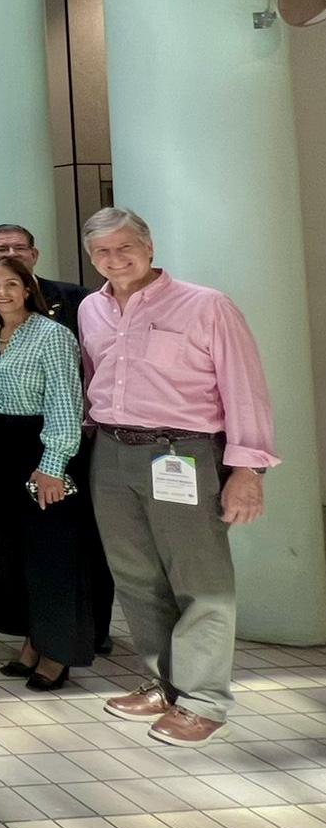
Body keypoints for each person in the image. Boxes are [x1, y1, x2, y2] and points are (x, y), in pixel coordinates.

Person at [79, 207, 277, 746]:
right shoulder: (91, 310)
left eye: (125, 247)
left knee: (200, 579)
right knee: (136, 575)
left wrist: (247, 469)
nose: (115, 259)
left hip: (184, 453)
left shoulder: (207, 305)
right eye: (102, 251)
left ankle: (204, 699)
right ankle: (163, 683)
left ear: (149, 246)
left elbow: (246, 389)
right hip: (113, 452)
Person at [0, 255, 95, 690]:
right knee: (12, 551)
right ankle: (31, 640)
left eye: (10, 284)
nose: (1, 292)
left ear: (28, 289)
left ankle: (57, 651)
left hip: (40, 446)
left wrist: (53, 465)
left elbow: (66, 401)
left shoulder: (53, 335)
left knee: (50, 552)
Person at [0, 223, 91, 335]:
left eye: (20, 248)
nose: (12, 254)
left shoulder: (75, 296)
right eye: (1, 249)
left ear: (34, 255)